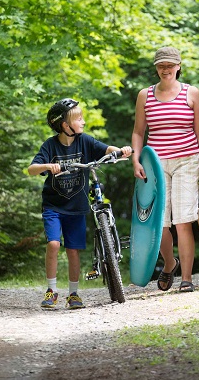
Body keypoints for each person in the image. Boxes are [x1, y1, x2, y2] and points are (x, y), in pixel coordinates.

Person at [28, 98, 132, 309]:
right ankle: (51, 290)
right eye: (79, 119)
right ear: (65, 126)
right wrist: (48, 166)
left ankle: (74, 294)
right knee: (54, 244)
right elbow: (32, 169)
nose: (83, 122)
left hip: (76, 207)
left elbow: (105, 149)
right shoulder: (50, 145)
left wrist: (121, 150)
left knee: (73, 250)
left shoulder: (85, 141)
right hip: (54, 207)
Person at [132, 47, 199, 293]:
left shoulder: (192, 93)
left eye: (170, 65)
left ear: (178, 66)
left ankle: (186, 278)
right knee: (160, 223)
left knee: (183, 222)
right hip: (155, 164)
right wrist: (136, 160)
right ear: (156, 68)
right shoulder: (145, 95)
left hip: (187, 161)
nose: (166, 70)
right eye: (161, 66)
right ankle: (170, 263)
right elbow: (138, 132)